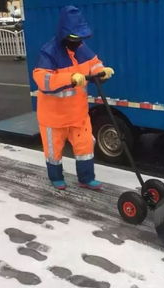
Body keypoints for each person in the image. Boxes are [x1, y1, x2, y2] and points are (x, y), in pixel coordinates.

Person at [33, 5, 114, 190]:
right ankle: (56, 177)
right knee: (53, 152)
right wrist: (69, 78)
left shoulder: (82, 49)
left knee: (85, 148)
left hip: (78, 115)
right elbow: (43, 80)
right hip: (53, 119)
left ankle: (86, 178)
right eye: (75, 38)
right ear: (64, 35)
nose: (79, 42)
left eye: (81, 37)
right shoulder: (49, 52)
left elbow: (94, 64)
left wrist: (101, 71)